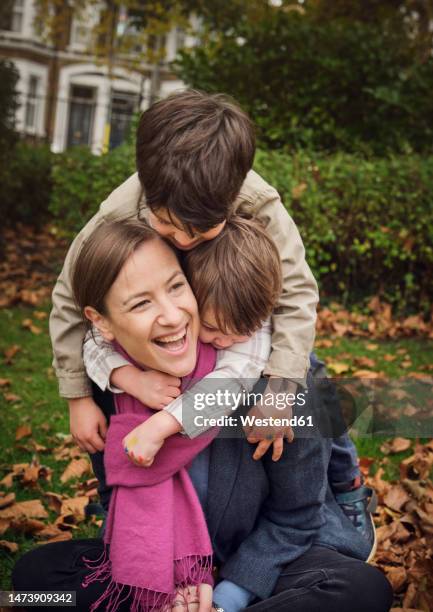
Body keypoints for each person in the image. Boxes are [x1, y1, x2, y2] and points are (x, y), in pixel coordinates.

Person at [13, 219, 392, 612]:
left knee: (362, 590)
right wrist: (172, 585)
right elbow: (118, 496)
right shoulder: (111, 391)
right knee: (29, 585)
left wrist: (226, 599)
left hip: (264, 562)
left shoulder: (277, 391)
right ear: (102, 322)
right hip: (162, 560)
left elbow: (295, 520)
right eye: (141, 303)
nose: (173, 317)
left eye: (176, 287)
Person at [49, 89, 370, 544]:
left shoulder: (257, 202)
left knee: (303, 372)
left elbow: (297, 294)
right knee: (106, 373)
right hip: (183, 305)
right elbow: (67, 295)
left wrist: (279, 387)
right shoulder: (121, 209)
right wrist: (76, 396)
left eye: (199, 229)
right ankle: (116, 498)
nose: (181, 238)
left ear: (231, 195)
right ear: (147, 182)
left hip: (240, 302)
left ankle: (346, 484)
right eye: (167, 224)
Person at [84, 215, 376, 550]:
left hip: (280, 393)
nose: (224, 341)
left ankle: (347, 481)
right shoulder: (196, 285)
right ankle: (128, 509)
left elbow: (227, 385)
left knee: (308, 377)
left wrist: (162, 425)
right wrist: (129, 378)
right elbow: (91, 344)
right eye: (214, 329)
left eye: (239, 332)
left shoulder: (251, 335)